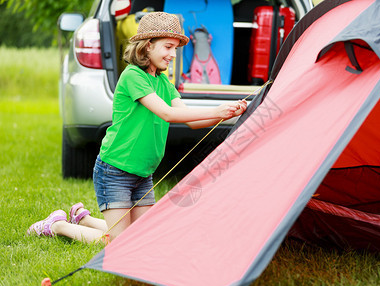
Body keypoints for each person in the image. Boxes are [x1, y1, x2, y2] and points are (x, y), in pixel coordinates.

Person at [27, 12, 247, 244]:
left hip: (142, 173)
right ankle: (58, 225)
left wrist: (227, 114)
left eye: (175, 49)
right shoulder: (132, 76)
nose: (173, 54)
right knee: (117, 242)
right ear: (147, 46)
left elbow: (190, 120)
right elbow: (167, 113)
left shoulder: (164, 83)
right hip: (115, 172)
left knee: (143, 236)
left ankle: (83, 219)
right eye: (168, 47)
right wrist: (216, 111)